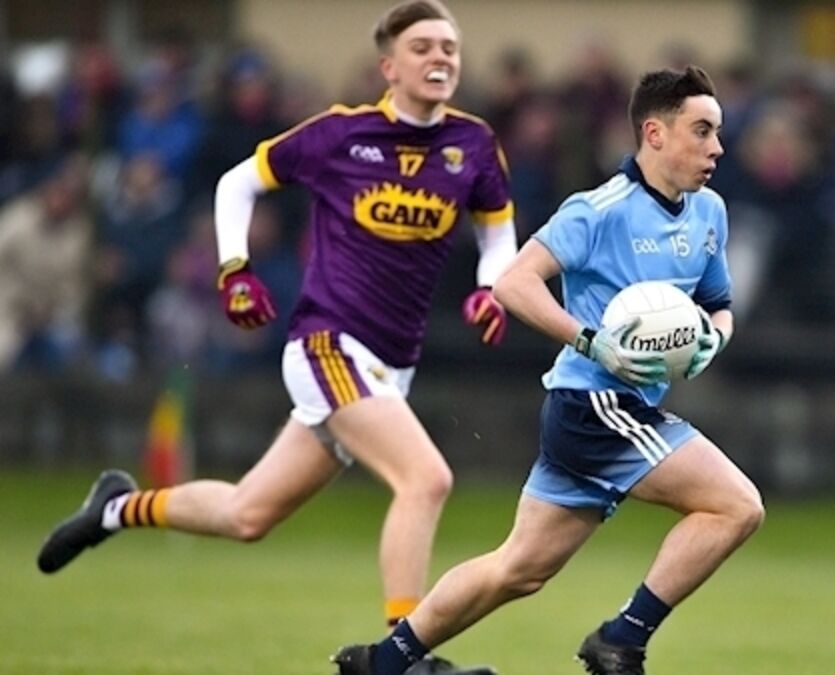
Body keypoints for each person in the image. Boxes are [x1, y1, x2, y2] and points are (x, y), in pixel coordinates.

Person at [37, 2, 515, 672]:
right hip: (328, 344)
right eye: (423, 47)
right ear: (388, 67)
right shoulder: (340, 134)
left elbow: (497, 231)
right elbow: (238, 182)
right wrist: (234, 268)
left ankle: (116, 508)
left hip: (390, 365)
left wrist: (491, 287)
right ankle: (403, 656)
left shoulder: (474, 145)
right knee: (426, 479)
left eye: (449, 48)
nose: (440, 58)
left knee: (248, 514)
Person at [333, 65, 765, 675]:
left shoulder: (709, 212)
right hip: (596, 405)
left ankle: (382, 662)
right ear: (655, 133)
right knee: (736, 506)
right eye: (702, 130)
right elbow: (513, 283)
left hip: (609, 410)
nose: (717, 146)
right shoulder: (598, 210)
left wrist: (711, 341)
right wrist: (594, 343)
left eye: (717, 132)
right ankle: (621, 640)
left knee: (518, 569)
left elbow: (719, 305)